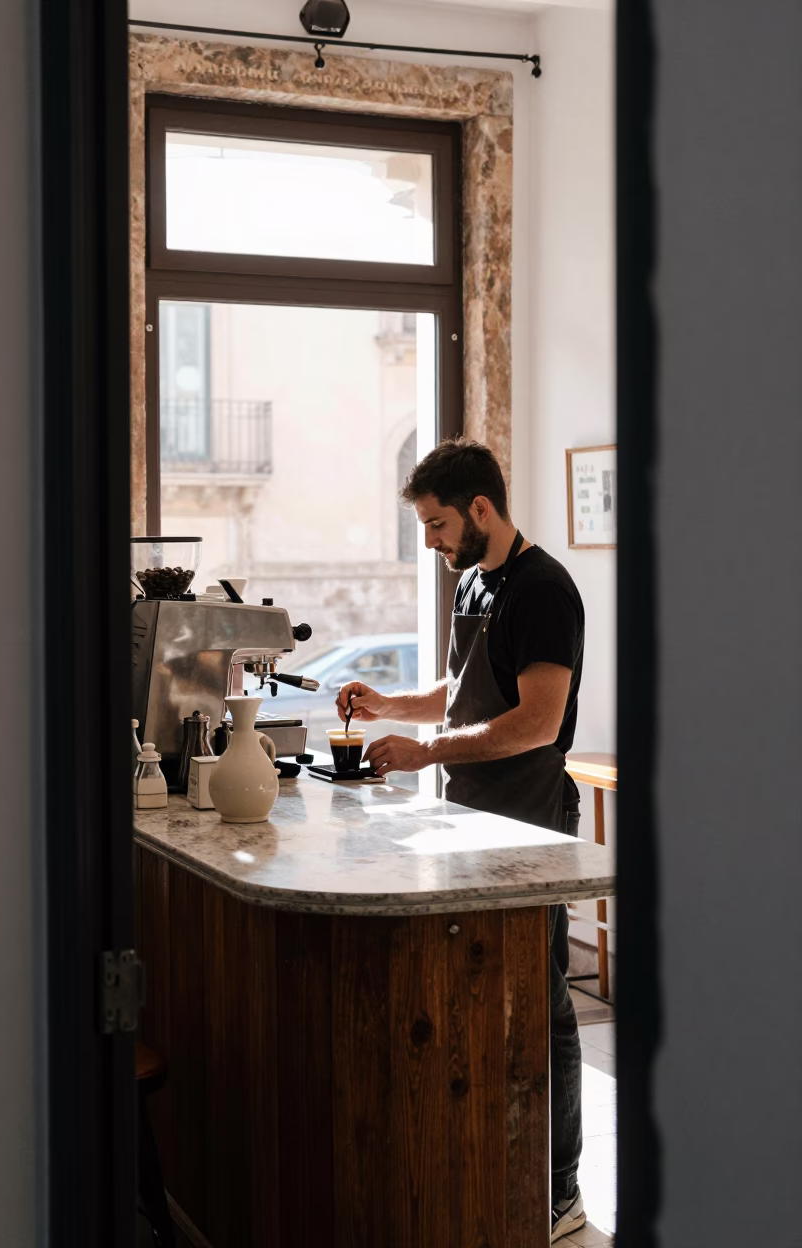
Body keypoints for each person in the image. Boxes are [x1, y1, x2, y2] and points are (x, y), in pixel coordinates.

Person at [336, 437, 587, 1244]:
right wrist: (389, 705)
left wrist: (426, 752)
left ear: (481, 508)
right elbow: (464, 690)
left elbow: (536, 722)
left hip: (531, 819)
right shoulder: (474, 580)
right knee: (484, 997)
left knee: (543, 1005)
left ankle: (560, 1191)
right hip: (470, 815)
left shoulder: (545, 589)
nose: (430, 542)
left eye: (437, 524)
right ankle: (493, 1169)